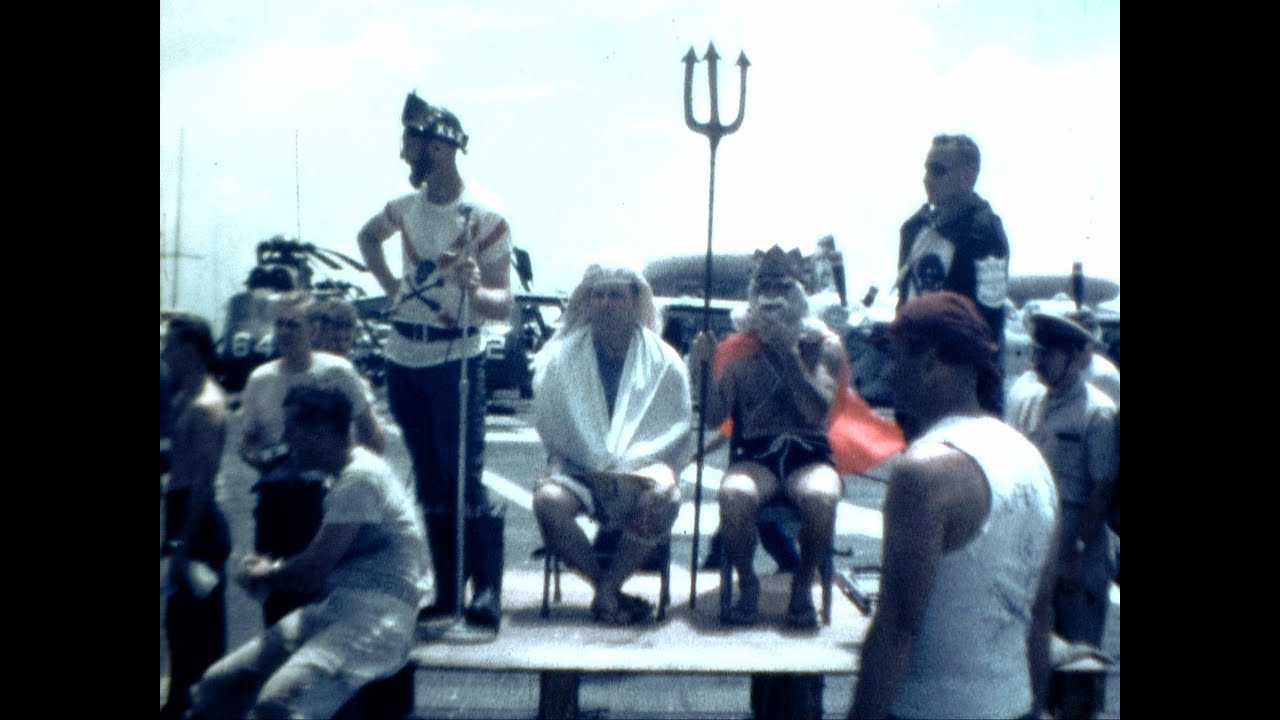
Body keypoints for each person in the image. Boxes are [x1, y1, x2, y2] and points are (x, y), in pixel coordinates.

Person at [850, 291, 1059, 720]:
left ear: (929, 363)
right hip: (1013, 704)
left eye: (897, 355)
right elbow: (1041, 614)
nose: (889, 371)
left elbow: (896, 628)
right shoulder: (1032, 461)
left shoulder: (924, 473)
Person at [357, 91, 513, 630]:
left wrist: (474, 287)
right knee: (429, 479)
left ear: (440, 147)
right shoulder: (404, 209)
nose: (404, 156)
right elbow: (367, 236)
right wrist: (389, 287)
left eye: (411, 144)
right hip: (404, 355)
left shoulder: (485, 216)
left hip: (457, 360)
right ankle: (447, 589)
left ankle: (486, 590)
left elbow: (505, 305)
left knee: (462, 476)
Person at [691, 246, 904, 630]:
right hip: (756, 456)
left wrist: (788, 356)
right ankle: (748, 581)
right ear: (753, 294)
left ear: (800, 294)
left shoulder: (824, 346)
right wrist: (701, 368)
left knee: (822, 498)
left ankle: (804, 584)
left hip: (810, 455)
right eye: (765, 286)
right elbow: (713, 416)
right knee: (734, 496)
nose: (772, 296)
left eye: (783, 287)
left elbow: (816, 412)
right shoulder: (735, 348)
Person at [191, 385, 428, 720]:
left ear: (322, 432)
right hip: (338, 606)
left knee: (277, 703)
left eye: (293, 428)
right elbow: (321, 561)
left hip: (379, 619)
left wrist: (267, 573)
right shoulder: (345, 474)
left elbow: (314, 570)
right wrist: (274, 568)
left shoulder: (360, 479)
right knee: (219, 685)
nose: (286, 438)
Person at [530, 263, 692, 624]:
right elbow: (552, 422)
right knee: (548, 501)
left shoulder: (665, 361)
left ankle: (608, 590)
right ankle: (607, 590)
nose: (605, 304)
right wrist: (574, 460)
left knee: (665, 497)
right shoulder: (561, 358)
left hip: (641, 470)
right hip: (579, 469)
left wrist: (632, 466)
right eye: (598, 295)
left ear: (635, 302)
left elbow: (672, 430)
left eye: (615, 295)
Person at [239, 290, 386, 626]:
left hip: (326, 495)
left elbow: (373, 438)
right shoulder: (260, 379)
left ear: (313, 330)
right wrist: (259, 459)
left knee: (328, 590)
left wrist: (351, 480)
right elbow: (247, 441)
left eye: (293, 324)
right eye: (279, 324)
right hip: (277, 497)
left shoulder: (338, 372)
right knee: (274, 594)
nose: (284, 332)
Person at [1006, 307, 1119, 648]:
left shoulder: (1097, 412)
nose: (1038, 362)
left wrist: (1077, 551)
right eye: (1035, 352)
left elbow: (1102, 491)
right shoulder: (1029, 402)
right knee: (1032, 652)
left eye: (1048, 354)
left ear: (1073, 357)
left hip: (1077, 549)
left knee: (1078, 659)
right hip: (1035, 546)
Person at [160, 314, 232, 720]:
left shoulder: (206, 405)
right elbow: (179, 460)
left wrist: (183, 546)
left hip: (197, 522)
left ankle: (205, 705)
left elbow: (203, 482)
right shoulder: (183, 397)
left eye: (169, 344)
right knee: (178, 619)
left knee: (199, 624)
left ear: (190, 350)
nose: (164, 351)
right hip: (180, 512)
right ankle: (179, 702)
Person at [894, 134, 1010, 349]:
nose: (927, 179)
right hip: (911, 356)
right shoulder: (915, 228)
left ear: (968, 176)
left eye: (938, 171)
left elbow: (990, 318)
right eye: (927, 170)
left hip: (954, 362)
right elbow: (904, 299)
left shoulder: (985, 234)